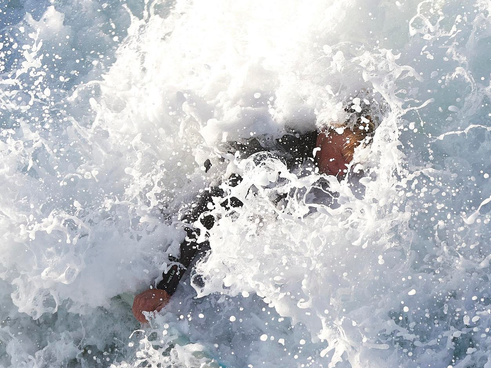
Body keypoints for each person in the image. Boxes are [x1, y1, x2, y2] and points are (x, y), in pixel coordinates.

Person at [132, 105, 377, 323]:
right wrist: (165, 286)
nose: (342, 169)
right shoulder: (281, 158)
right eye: (344, 155)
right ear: (327, 131)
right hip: (173, 222)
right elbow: (209, 208)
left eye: (350, 162)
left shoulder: (310, 162)